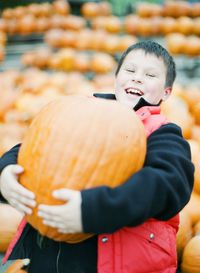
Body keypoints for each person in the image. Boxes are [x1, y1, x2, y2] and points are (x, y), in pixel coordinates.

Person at [0, 41, 194, 273]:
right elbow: (36, 147)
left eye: (150, 74)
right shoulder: (79, 112)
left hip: (119, 263)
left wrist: (93, 209)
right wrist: (6, 170)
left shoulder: (163, 133)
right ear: (116, 77)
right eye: (130, 71)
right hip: (52, 256)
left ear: (166, 92)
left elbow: (169, 184)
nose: (137, 78)